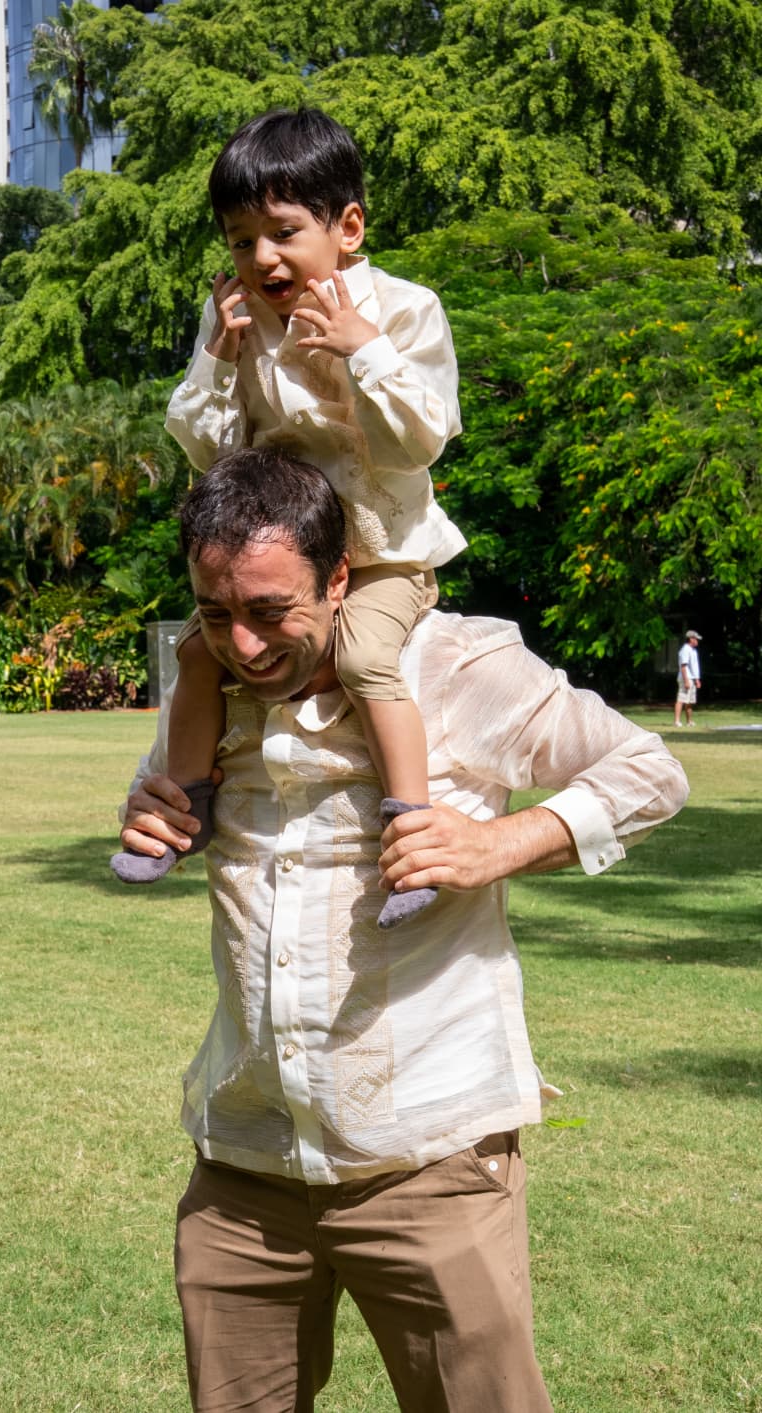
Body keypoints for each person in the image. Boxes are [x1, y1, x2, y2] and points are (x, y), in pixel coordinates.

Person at [117, 449, 689, 1413]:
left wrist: (496, 843)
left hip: (429, 1159)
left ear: (340, 577)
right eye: (216, 615)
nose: (244, 646)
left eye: (271, 612)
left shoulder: (453, 664)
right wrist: (151, 815)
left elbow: (649, 773)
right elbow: (169, 802)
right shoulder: (210, 686)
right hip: (246, 1162)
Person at [113, 105, 466, 929]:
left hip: (379, 555)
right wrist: (216, 359)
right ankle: (179, 808)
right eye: (240, 240)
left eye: (281, 231)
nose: (260, 258)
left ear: (347, 226)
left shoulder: (406, 311)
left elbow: (421, 444)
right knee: (201, 651)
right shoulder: (234, 316)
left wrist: (362, 348)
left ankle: (409, 824)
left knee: (366, 655)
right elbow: (209, 454)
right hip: (282, 558)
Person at [674, 629, 702, 726]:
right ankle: (677, 721)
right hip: (686, 677)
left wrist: (697, 679)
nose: (697, 641)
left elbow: (694, 667)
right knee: (681, 699)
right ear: (691, 639)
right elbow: (683, 666)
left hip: (692, 678)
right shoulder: (685, 650)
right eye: (696, 639)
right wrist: (686, 680)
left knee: (690, 701)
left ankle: (689, 721)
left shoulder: (693, 651)